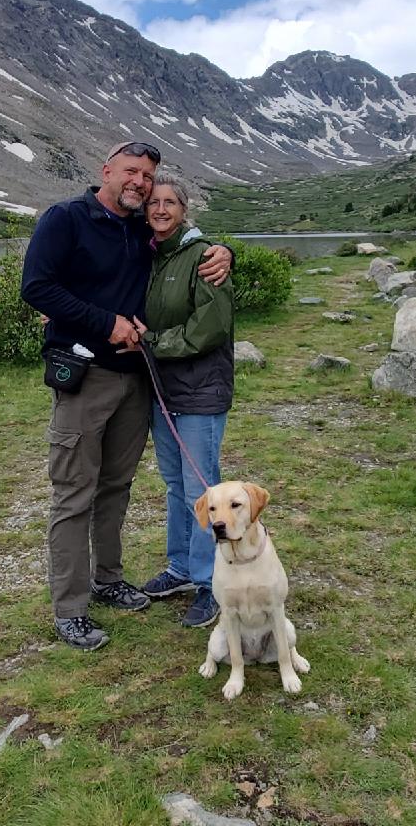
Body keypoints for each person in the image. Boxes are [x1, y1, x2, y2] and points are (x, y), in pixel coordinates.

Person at [20, 142, 231, 651]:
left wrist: (226, 252)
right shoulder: (66, 218)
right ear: (107, 170)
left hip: (136, 381)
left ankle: (109, 579)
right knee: (74, 493)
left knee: (116, 487)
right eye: (132, 171)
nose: (140, 182)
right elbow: (37, 287)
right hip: (84, 378)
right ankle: (70, 609)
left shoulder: (140, 228)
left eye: (148, 175)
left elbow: (184, 242)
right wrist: (104, 322)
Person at [134, 177, 234, 628]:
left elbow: (210, 327)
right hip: (163, 391)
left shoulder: (204, 256)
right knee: (176, 486)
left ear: (184, 209)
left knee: (201, 491)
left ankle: (210, 582)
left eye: (170, 202)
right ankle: (180, 568)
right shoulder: (152, 255)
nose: (160, 209)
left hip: (199, 393)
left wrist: (153, 342)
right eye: (153, 202)